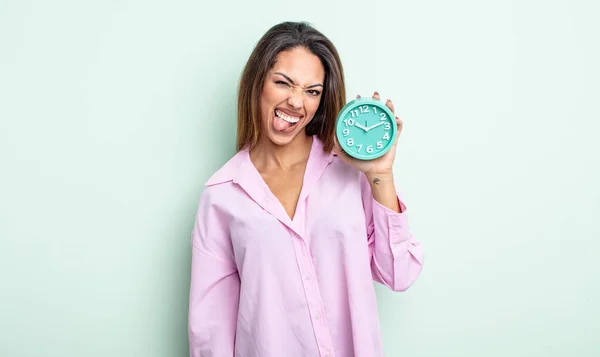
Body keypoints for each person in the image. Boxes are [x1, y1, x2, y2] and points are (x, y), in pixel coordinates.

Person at [188, 21, 424, 357]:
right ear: (258, 84)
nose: (297, 102)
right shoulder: (222, 194)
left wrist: (381, 174)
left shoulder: (349, 172)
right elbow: (210, 329)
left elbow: (398, 274)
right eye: (283, 83)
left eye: (312, 91)